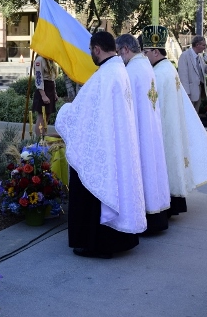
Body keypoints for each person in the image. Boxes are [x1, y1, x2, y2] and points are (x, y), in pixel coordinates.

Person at [56, 30, 146, 258]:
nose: (91, 55)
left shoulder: (105, 75)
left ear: (96, 49)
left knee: (90, 182)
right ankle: (118, 240)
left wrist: (64, 112)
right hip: (118, 143)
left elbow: (81, 111)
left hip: (106, 146)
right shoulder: (119, 70)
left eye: (90, 51)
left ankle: (97, 244)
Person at [142, 26, 207, 215]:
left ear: (155, 51)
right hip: (172, 127)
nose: (144, 56)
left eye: (146, 52)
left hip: (165, 129)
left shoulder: (159, 73)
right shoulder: (166, 69)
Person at [116, 34, 171, 233]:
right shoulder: (146, 65)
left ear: (124, 49)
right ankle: (157, 217)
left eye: (118, 52)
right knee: (153, 169)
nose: (119, 56)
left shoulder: (131, 70)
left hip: (139, 130)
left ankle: (144, 217)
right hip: (152, 130)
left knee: (143, 169)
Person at [177, 35, 207, 112]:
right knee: (188, 116)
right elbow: (183, 77)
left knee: (195, 117)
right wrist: (186, 94)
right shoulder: (185, 56)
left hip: (199, 92)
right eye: (204, 45)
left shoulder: (199, 57)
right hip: (189, 93)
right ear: (197, 45)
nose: (205, 47)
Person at [32, 54, 58, 138]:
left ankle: (43, 136)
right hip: (43, 89)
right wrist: (43, 95)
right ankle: (39, 139)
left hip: (50, 89)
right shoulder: (39, 60)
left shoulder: (50, 60)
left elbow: (52, 79)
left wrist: (55, 93)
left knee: (47, 114)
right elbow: (38, 78)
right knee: (41, 115)